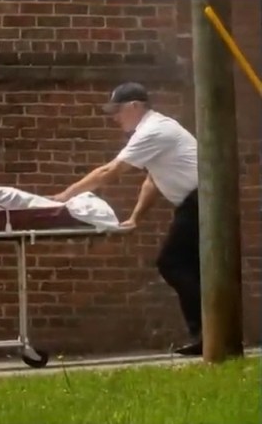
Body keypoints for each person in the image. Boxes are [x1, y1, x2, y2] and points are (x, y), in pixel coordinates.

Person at [50, 82, 202, 356]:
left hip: (201, 200)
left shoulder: (153, 130)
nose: (114, 118)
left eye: (117, 110)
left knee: (172, 262)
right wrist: (135, 218)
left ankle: (209, 332)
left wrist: (65, 195)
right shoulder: (152, 131)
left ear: (135, 106)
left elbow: (109, 171)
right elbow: (152, 180)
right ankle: (211, 333)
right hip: (195, 202)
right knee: (191, 266)